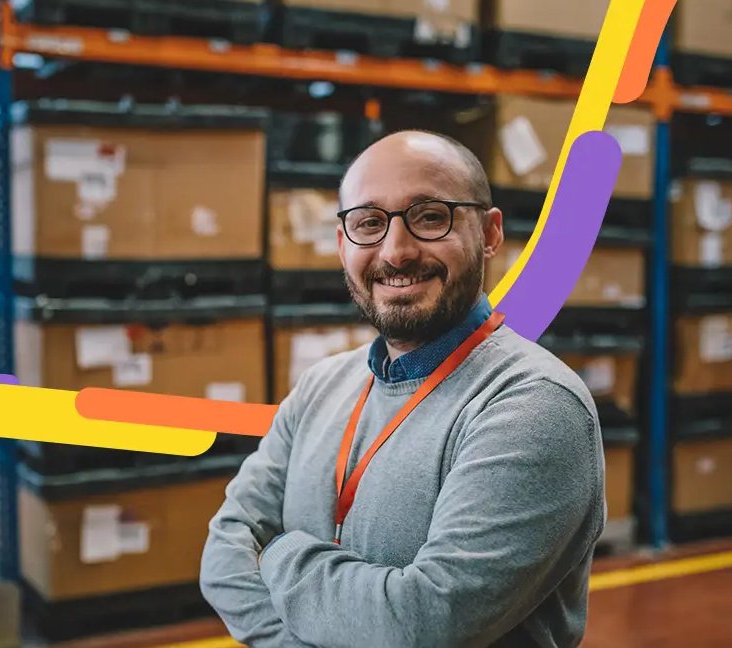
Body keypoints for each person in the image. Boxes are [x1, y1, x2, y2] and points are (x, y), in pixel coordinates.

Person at [200, 130, 606, 648]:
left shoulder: (535, 404)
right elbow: (222, 555)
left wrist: (277, 552)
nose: (396, 252)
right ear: (342, 243)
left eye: (429, 216)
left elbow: (425, 621)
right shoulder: (320, 387)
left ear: (489, 233)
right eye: (369, 223)